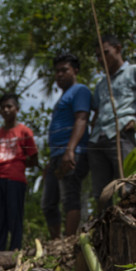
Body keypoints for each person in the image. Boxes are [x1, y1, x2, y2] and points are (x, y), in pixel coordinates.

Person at [88, 35, 136, 208]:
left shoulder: (135, 71)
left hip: (121, 132)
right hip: (97, 138)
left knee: (128, 183)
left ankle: (131, 217)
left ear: (118, 49)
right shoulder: (101, 84)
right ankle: (105, 222)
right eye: (98, 56)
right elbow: (97, 111)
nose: (101, 59)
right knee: (101, 192)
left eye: (105, 53)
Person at [41, 52, 91, 239]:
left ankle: (69, 241)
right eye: (57, 71)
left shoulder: (80, 91)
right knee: (48, 203)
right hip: (57, 156)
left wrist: (70, 150)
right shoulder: (62, 98)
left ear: (75, 71)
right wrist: (51, 160)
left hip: (72, 153)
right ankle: (56, 242)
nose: (59, 74)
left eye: (64, 70)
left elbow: (81, 119)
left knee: (69, 197)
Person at [0, 93, 38, 251]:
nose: (6, 110)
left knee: (14, 216)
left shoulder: (24, 132)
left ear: (17, 108)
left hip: (16, 180)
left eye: (9, 106)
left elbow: (34, 157)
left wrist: (18, 165)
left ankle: (15, 251)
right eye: (2, 107)